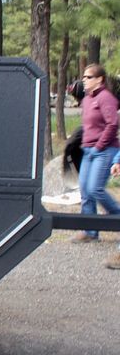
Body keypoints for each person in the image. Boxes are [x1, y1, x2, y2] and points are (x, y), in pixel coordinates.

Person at [70, 64, 120, 244]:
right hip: (88, 150)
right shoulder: (87, 99)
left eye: (89, 77)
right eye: (83, 77)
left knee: (95, 189)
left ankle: (117, 219)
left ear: (100, 79)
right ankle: (90, 231)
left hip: (104, 150)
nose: (84, 80)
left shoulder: (106, 98)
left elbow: (113, 124)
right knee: (85, 191)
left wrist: (99, 145)